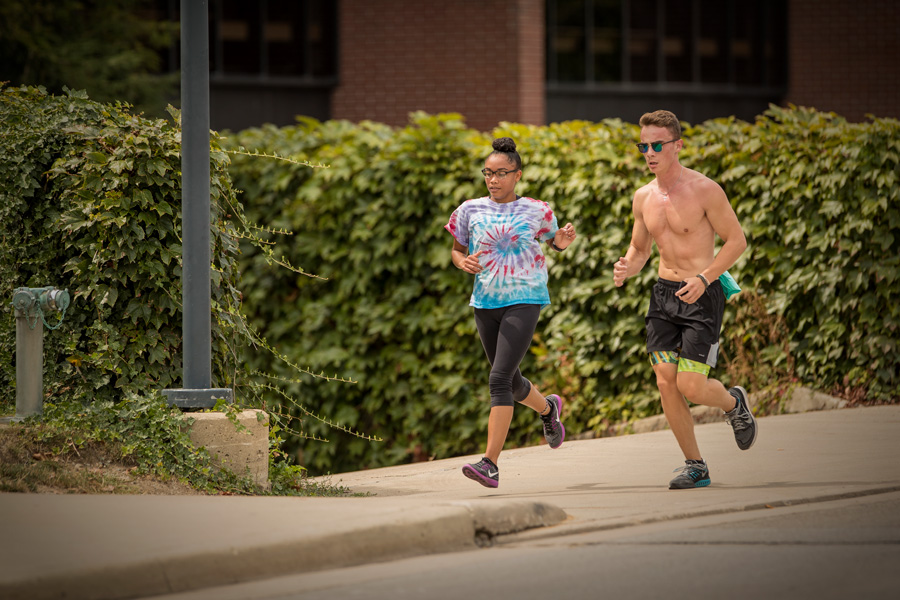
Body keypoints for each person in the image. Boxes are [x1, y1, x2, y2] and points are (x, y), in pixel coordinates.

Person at [612, 109, 757, 490]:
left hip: (702, 295)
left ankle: (733, 403)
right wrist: (627, 266)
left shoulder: (705, 190)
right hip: (664, 296)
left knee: (691, 386)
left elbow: (737, 241)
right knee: (665, 382)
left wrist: (704, 278)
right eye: (643, 146)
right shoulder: (643, 197)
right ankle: (696, 465)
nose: (649, 153)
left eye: (657, 145)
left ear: (678, 145)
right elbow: (640, 249)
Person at [445, 137, 577, 489]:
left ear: (517, 175)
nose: (493, 179)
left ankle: (490, 464)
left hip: (525, 298)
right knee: (513, 382)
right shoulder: (469, 210)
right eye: (488, 173)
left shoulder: (537, 210)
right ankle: (548, 409)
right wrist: (462, 262)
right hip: (484, 302)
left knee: (499, 379)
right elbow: (457, 250)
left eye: (502, 173)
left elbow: (555, 241)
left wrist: (562, 241)